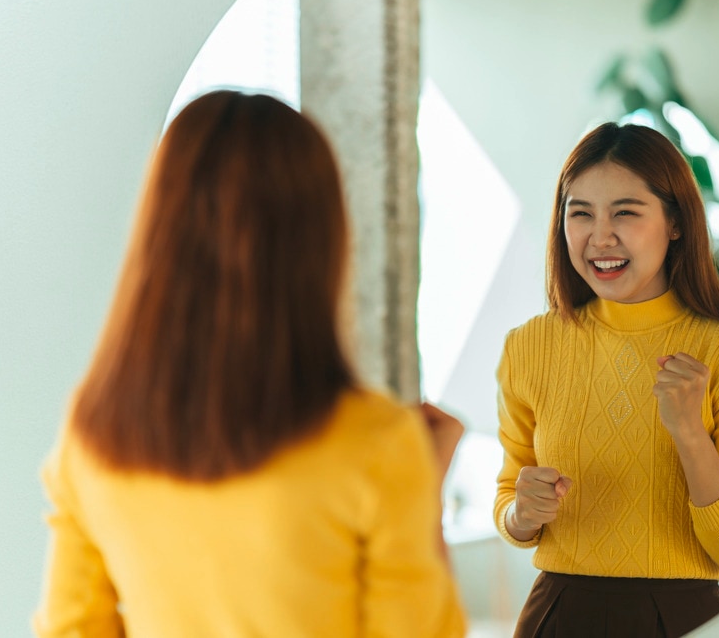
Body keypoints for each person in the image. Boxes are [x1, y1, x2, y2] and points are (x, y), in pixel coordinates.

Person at [33, 90, 466, 638]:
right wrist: (422, 497)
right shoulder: (378, 445)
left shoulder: (94, 433)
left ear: (158, 233)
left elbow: (70, 629)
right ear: (324, 243)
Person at [494, 122, 719, 637]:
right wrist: (521, 513)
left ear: (675, 222)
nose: (600, 237)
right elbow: (511, 502)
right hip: (556, 615)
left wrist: (691, 434)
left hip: (680, 619)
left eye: (625, 212)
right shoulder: (528, 348)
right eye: (580, 213)